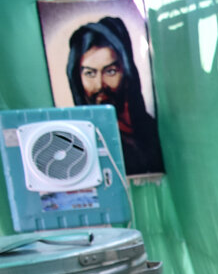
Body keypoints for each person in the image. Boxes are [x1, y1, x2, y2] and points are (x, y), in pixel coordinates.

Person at [66, 16, 164, 175]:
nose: (100, 85)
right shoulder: (79, 145)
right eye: (90, 73)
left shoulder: (152, 129)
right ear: (78, 79)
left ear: (126, 72)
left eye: (110, 71)